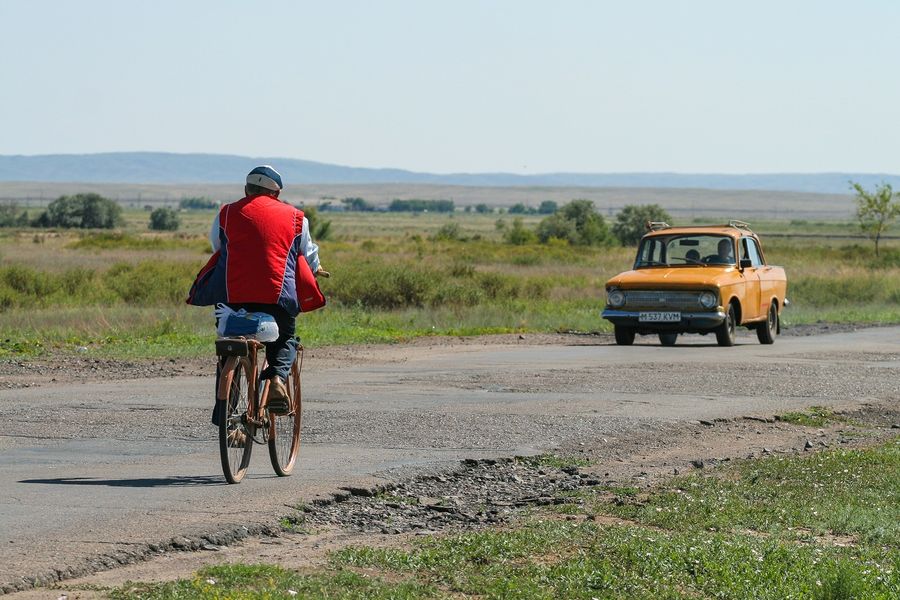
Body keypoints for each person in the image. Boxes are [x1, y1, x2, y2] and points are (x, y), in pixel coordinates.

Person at [187, 165, 326, 424]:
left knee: (231, 347)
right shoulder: (297, 218)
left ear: (246, 190)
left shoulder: (226, 213)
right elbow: (307, 253)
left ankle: (225, 412)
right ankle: (275, 379)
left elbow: (217, 246)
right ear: (277, 193)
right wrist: (316, 268)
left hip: (230, 297)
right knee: (284, 338)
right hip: (277, 297)